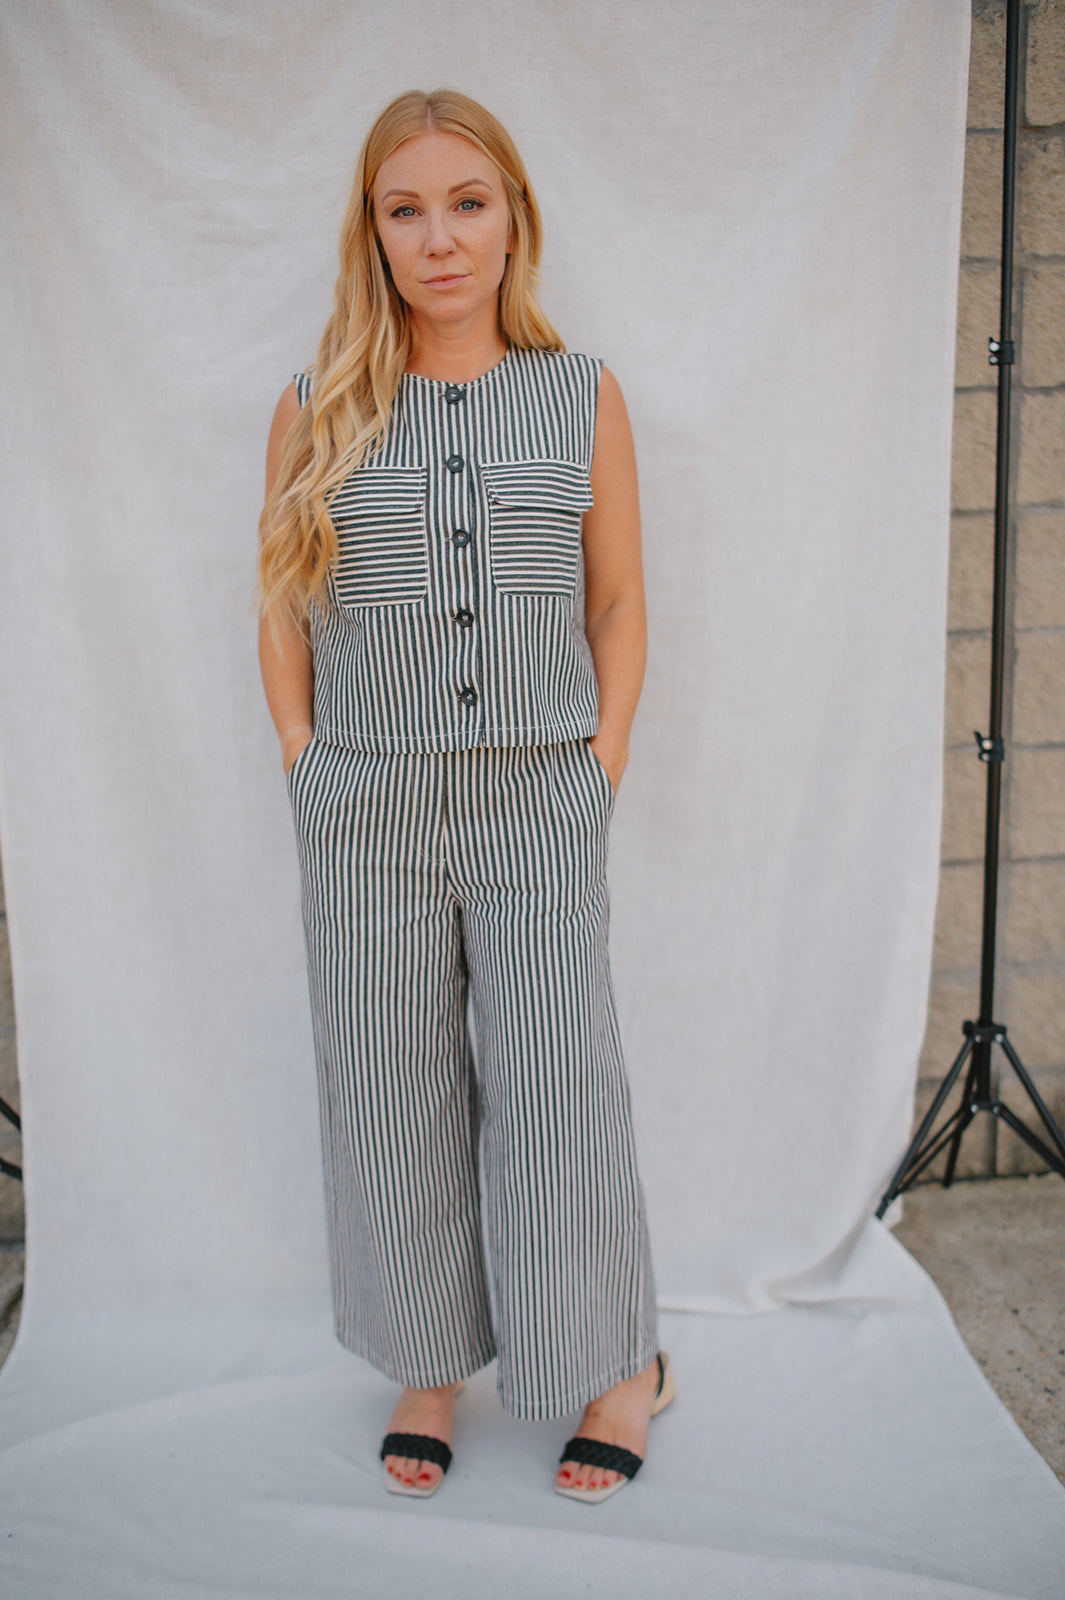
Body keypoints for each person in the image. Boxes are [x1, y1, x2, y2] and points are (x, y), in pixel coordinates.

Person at [257, 88, 674, 1505]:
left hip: (538, 795)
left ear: (513, 221)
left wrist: (600, 757)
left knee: (559, 1090)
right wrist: (305, 755)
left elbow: (616, 600)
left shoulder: (580, 393)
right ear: (372, 234)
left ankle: (618, 1365)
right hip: (364, 804)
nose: (439, 238)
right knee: (390, 1092)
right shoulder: (317, 407)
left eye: (467, 203)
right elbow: (282, 604)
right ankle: (427, 1361)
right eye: (406, 209)